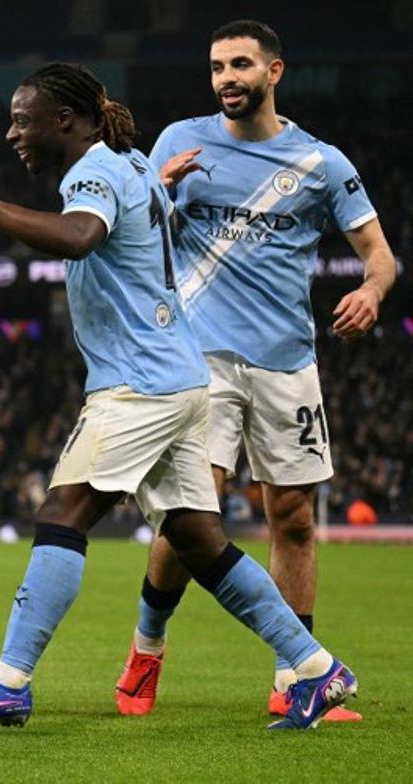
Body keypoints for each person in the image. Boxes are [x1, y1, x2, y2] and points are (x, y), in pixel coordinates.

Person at [0, 62, 356, 730]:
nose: (12, 133)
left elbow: (79, 236)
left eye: (23, 121)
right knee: (200, 542)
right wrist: (157, 182)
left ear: (65, 120)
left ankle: (8, 682)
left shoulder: (94, 171)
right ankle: (317, 668)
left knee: (64, 511)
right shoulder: (134, 164)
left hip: (139, 384)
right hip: (182, 376)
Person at [115, 20, 395, 721]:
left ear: (274, 71)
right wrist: (155, 190)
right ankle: (147, 648)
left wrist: (371, 291)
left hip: (287, 363)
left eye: (240, 64)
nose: (226, 79)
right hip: (200, 355)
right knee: (194, 511)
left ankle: (296, 678)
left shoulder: (321, 163)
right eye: (217, 67)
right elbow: (129, 233)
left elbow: (380, 255)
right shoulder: (178, 141)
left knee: (293, 521)